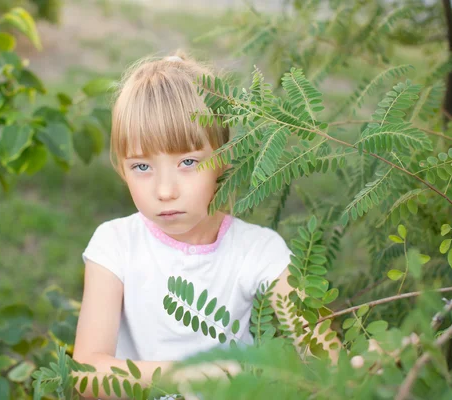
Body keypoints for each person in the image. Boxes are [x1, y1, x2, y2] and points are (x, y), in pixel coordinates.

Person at [72, 50, 339, 399]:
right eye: (142, 167)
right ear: (122, 168)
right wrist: (188, 375)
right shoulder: (115, 245)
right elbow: (88, 374)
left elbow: (324, 355)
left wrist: (362, 368)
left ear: (224, 160)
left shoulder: (258, 251)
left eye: (187, 161)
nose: (165, 191)